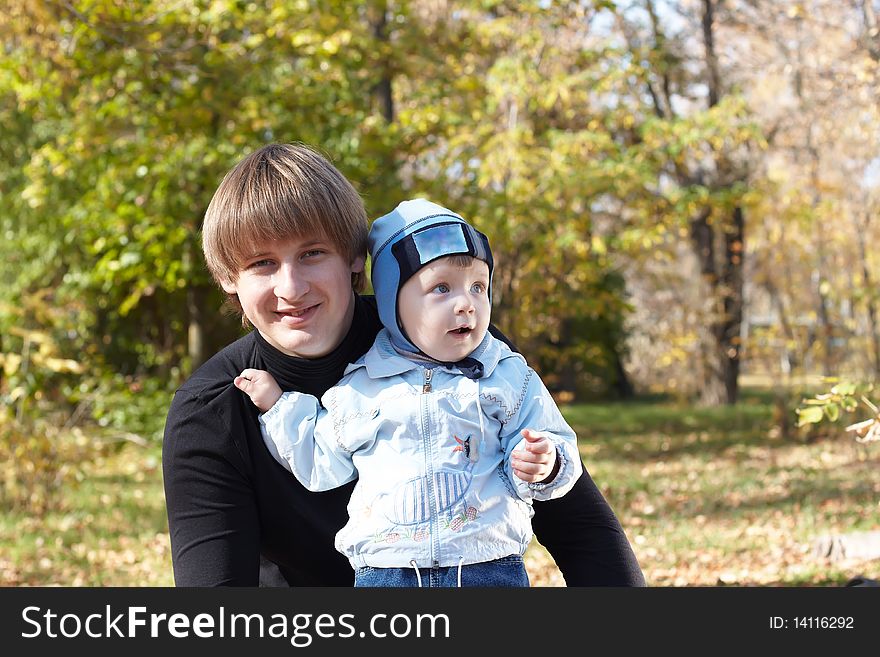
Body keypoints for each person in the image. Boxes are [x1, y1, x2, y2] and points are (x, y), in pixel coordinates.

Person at [162, 142, 646, 587]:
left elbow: (583, 532)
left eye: (312, 253)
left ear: (355, 259)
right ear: (229, 278)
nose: (291, 287)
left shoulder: (449, 345)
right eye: (262, 264)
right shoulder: (210, 410)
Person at [234, 199, 581, 587]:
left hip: (487, 567)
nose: (465, 303)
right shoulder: (360, 388)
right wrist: (278, 406)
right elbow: (321, 463)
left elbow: (554, 442)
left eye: (478, 287)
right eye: (441, 288)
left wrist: (546, 462)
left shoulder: (506, 376)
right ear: (392, 301)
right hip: (387, 573)